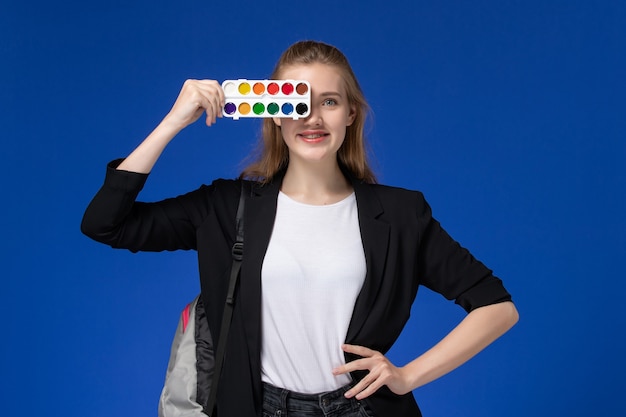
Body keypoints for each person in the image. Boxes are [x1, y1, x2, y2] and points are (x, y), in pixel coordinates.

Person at [81, 40, 519, 417]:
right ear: (273, 112)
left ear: (350, 114)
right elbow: (106, 224)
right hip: (258, 407)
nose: (312, 118)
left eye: (328, 101)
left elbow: (497, 307)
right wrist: (174, 121)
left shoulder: (402, 214)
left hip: (361, 409)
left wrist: (405, 376)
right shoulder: (224, 206)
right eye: (296, 101)